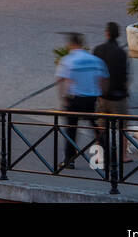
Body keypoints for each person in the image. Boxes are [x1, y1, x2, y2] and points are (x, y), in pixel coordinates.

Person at [55, 33, 108, 169]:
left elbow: (62, 81)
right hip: (91, 99)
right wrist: (99, 94)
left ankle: (69, 160)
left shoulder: (68, 60)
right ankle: (107, 154)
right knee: (94, 127)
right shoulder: (95, 60)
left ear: (71, 44)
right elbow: (103, 79)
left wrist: (63, 99)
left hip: (75, 99)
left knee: (71, 130)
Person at [93, 22, 131, 157]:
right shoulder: (122, 53)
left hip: (103, 95)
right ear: (118, 35)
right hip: (119, 95)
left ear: (106, 33)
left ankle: (100, 154)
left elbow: (95, 73)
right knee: (123, 128)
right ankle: (123, 157)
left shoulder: (98, 49)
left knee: (101, 126)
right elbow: (126, 76)